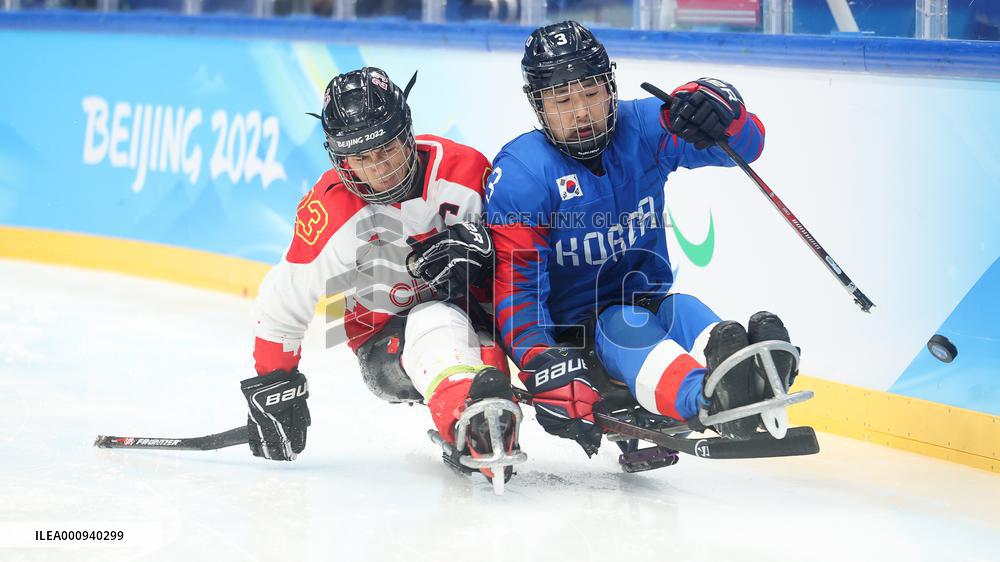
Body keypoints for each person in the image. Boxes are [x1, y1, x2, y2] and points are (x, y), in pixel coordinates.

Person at [485, 21, 798, 461]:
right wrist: (540, 360)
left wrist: (720, 109)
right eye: (562, 100)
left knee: (682, 309)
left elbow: (748, 147)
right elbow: (516, 290)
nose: (581, 112)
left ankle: (747, 374)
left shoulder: (646, 126)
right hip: (575, 337)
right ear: (537, 105)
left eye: (592, 93)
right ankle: (707, 401)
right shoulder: (522, 173)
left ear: (610, 86)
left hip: (646, 304)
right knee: (624, 326)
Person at [239, 67, 521, 484]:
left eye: (387, 149)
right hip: (384, 339)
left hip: (477, 320)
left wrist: (486, 248)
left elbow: (521, 261)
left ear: (407, 133)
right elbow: (284, 301)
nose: (380, 170)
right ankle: (467, 415)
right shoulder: (331, 211)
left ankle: (484, 411)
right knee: (437, 322)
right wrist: (274, 384)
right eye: (362, 158)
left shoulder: (466, 171)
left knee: (490, 345)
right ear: (341, 160)